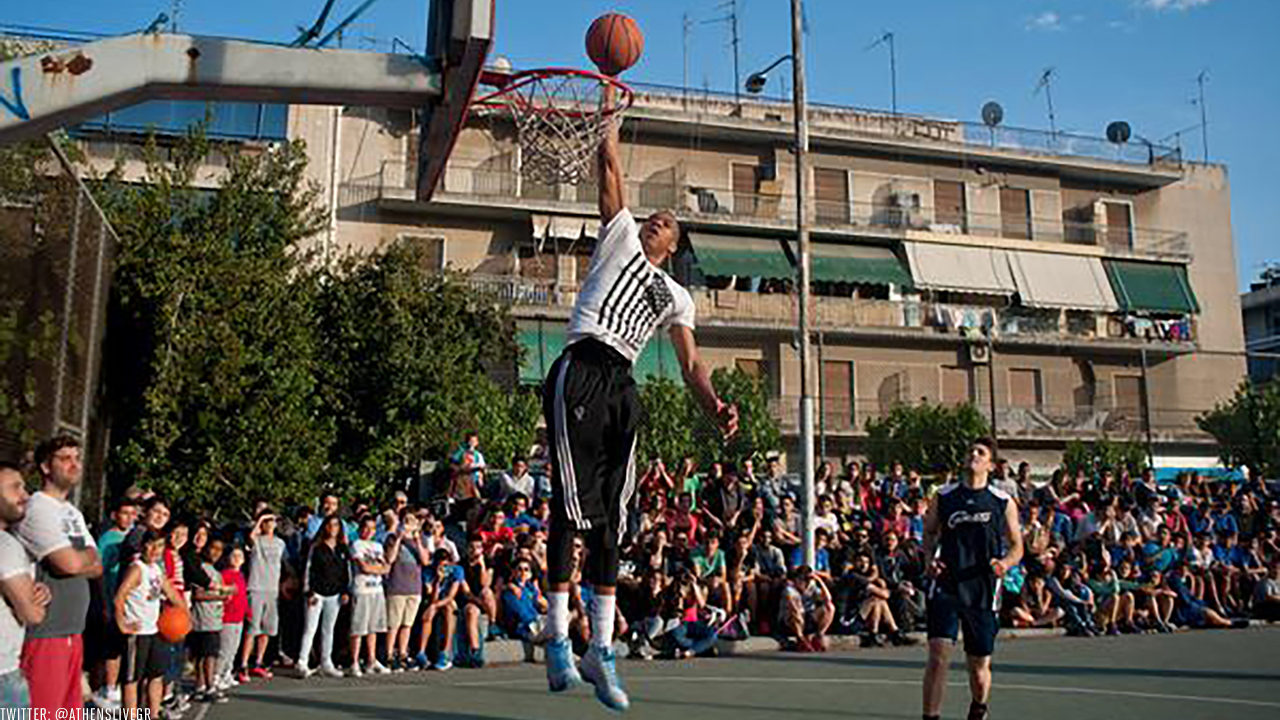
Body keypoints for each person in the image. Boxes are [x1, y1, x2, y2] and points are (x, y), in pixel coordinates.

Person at [539, 78, 738, 713]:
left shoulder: (678, 297)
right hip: (583, 364)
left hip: (624, 384)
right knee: (571, 509)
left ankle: (600, 647)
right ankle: (557, 639)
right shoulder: (619, 232)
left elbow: (692, 364)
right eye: (657, 214)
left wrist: (714, 406)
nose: (658, 218)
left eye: (669, 222)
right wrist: (609, 114)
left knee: (611, 521)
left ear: (673, 246)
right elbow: (611, 166)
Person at [921, 438, 1023, 720]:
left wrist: (1004, 563)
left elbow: (1017, 546)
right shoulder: (944, 496)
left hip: (983, 587)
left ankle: (978, 708)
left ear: (990, 465)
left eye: (981, 453)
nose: (973, 455)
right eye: (970, 451)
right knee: (938, 655)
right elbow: (929, 533)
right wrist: (929, 560)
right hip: (946, 583)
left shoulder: (1002, 502)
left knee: (978, 666)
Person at [15, 435, 102, 713]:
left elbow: (96, 564)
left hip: (73, 632)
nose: (74, 464)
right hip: (45, 634)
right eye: (65, 458)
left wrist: (81, 559)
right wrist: (81, 559)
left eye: (77, 458)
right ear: (45, 466)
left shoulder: (72, 513)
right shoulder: (37, 508)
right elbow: (69, 565)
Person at [115, 531, 186, 718]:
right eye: (151, 545)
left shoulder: (156, 570)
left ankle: (152, 714)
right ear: (143, 546)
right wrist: (122, 623)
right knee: (132, 679)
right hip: (136, 633)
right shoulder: (137, 568)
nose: (155, 550)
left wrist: (184, 616)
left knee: (156, 676)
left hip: (154, 630)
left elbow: (172, 594)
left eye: (160, 546)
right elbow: (119, 596)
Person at [0, 462, 51, 710]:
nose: (26, 495)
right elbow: (33, 614)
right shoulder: (6, 546)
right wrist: (35, 602)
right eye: (15, 488)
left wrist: (32, 590)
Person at [94, 498, 138, 710]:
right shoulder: (108, 539)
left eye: (132, 514)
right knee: (110, 648)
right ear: (115, 515)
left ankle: (113, 686)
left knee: (120, 646)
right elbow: (100, 572)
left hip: (128, 602)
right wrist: (104, 602)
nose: (129, 518)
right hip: (111, 598)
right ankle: (108, 689)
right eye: (124, 513)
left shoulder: (134, 537)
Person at [297, 516, 348, 679]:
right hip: (316, 593)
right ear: (324, 527)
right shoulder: (316, 547)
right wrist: (308, 591)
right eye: (330, 525)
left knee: (329, 630)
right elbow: (308, 569)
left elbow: (345, 572)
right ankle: (302, 662)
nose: (333, 528)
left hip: (335, 594)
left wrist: (345, 590)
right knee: (310, 628)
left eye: (336, 525)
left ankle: (326, 662)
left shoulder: (342, 548)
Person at [241, 508, 286, 679]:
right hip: (256, 587)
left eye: (272, 521)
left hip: (272, 589)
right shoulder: (256, 540)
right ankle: (244, 664)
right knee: (252, 628)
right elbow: (251, 537)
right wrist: (260, 520)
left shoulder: (280, 543)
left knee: (267, 629)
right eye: (267, 521)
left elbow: (283, 563)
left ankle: (258, 662)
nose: (270, 524)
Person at [383, 512, 428, 672]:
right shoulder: (392, 538)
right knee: (393, 624)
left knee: (407, 624)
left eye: (412, 521)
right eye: (406, 520)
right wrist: (400, 538)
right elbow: (390, 558)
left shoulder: (421, 539)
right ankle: (388, 655)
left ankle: (402, 654)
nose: (409, 523)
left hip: (414, 587)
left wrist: (416, 540)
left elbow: (425, 560)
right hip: (397, 586)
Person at [189, 538, 232, 703]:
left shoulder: (215, 571)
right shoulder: (201, 569)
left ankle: (200, 686)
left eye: (219, 550)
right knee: (208, 655)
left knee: (203, 655)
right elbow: (198, 594)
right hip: (205, 619)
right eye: (213, 548)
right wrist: (222, 596)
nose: (216, 552)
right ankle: (209, 686)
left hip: (212, 618)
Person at [347, 515, 390, 677]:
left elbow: (386, 568)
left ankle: (371, 661)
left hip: (377, 590)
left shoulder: (378, 546)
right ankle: (354, 662)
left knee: (374, 627)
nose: (368, 531)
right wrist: (376, 568)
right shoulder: (356, 544)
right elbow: (363, 567)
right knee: (358, 628)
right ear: (360, 529)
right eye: (365, 527)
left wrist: (377, 568)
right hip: (362, 590)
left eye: (372, 528)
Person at [415, 549, 463, 671]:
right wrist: (438, 580)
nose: (443, 567)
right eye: (440, 564)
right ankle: (421, 652)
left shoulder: (457, 570)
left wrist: (435, 606)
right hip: (432, 600)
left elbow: (450, 596)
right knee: (428, 614)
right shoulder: (428, 571)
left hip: (447, 601)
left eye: (445, 564)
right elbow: (432, 597)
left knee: (448, 609)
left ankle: (445, 653)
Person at [216, 546, 248, 689]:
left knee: (233, 649)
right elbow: (221, 593)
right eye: (233, 555)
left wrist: (247, 612)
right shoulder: (224, 574)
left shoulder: (241, 575)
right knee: (225, 649)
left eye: (239, 556)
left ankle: (227, 672)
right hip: (227, 618)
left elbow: (243, 597)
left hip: (239, 618)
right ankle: (217, 675)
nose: (236, 559)